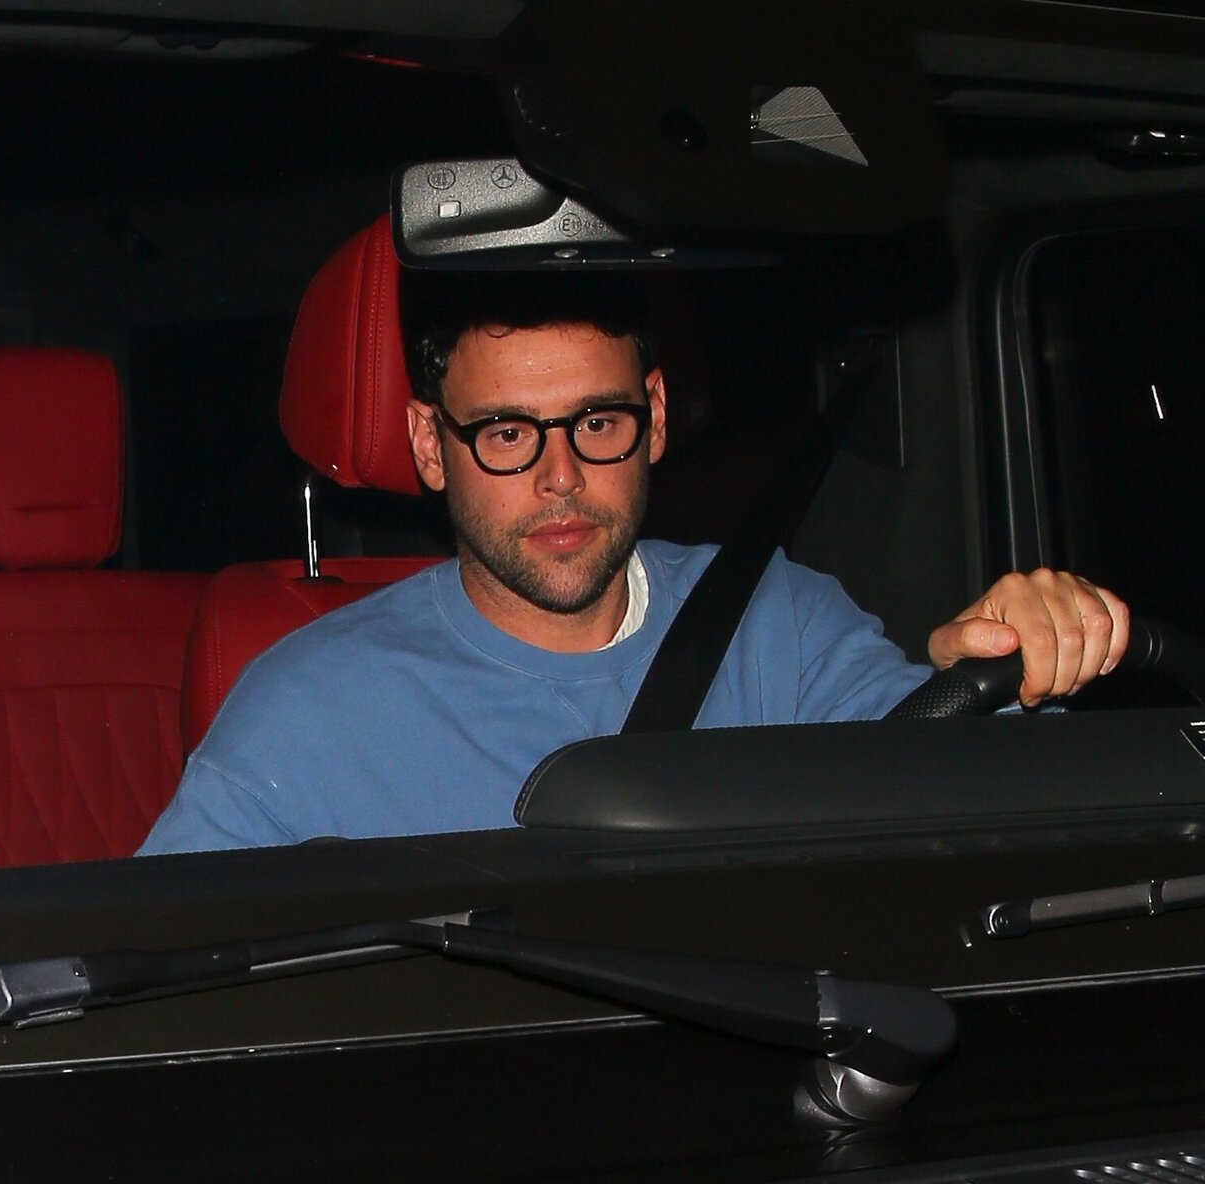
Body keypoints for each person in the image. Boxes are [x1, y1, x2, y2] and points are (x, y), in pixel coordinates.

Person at [140, 274, 1129, 854]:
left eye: (598, 422)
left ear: (654, 416)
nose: (561, 477)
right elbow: (164, 992)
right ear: (432, 445)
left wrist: (1007, 667)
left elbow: (959, 816)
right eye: (507, 434)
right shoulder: (309, 710)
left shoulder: (778, 625)